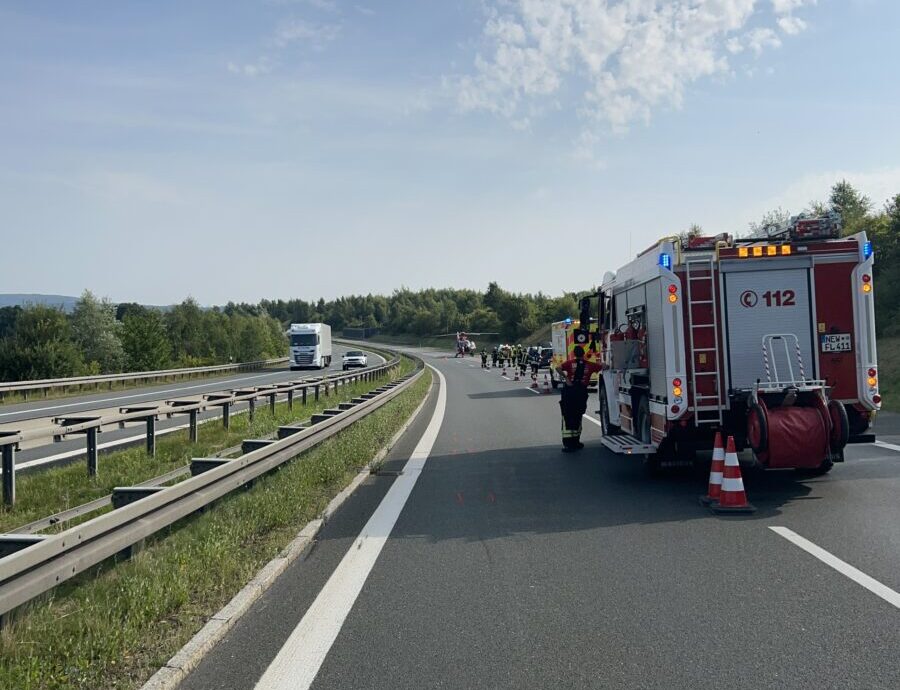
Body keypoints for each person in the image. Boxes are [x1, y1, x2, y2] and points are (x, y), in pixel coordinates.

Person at [558, 345, 602, 451]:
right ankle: (576, 441)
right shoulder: (589, 365)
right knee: (578, 415)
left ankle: (568, 444)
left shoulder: (569, 363)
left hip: (569, 392)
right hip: (581, 393)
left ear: (574, 354)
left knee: (568, 416)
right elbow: (603, 367)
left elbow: (558, 368)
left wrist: (566, 379)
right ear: (583, 354)